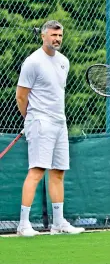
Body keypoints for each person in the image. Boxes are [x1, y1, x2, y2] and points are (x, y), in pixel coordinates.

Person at [16, 20, 85, 237]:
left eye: (60, 36)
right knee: (36, 171)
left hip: (59, 123)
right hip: (40, 122)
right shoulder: (32, 62)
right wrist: (31, 119)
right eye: (53, 35)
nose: (57, 39)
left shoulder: (64, 62)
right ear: (43, 36)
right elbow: (21, 96)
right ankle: (23, 224)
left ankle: (58, 223)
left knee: (58, 173)